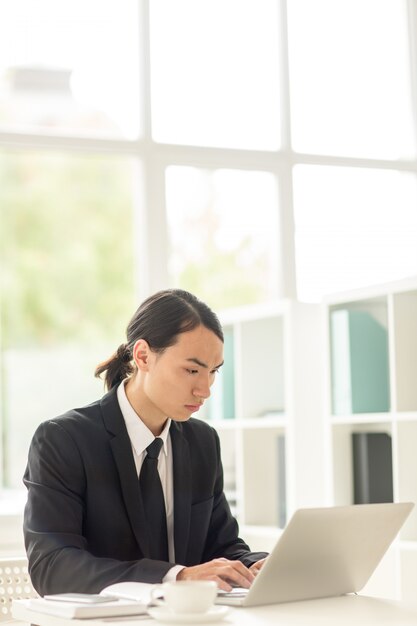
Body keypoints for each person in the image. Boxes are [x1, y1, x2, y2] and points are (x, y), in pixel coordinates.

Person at [23, 289, 267, 595]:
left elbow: (222, 547)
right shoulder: (63, 440)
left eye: (213, 372)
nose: (205, 390)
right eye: (192, 370)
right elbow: (53, 567)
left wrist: (259, 565)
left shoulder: (202, 442)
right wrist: (177, 577)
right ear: (142, 356)